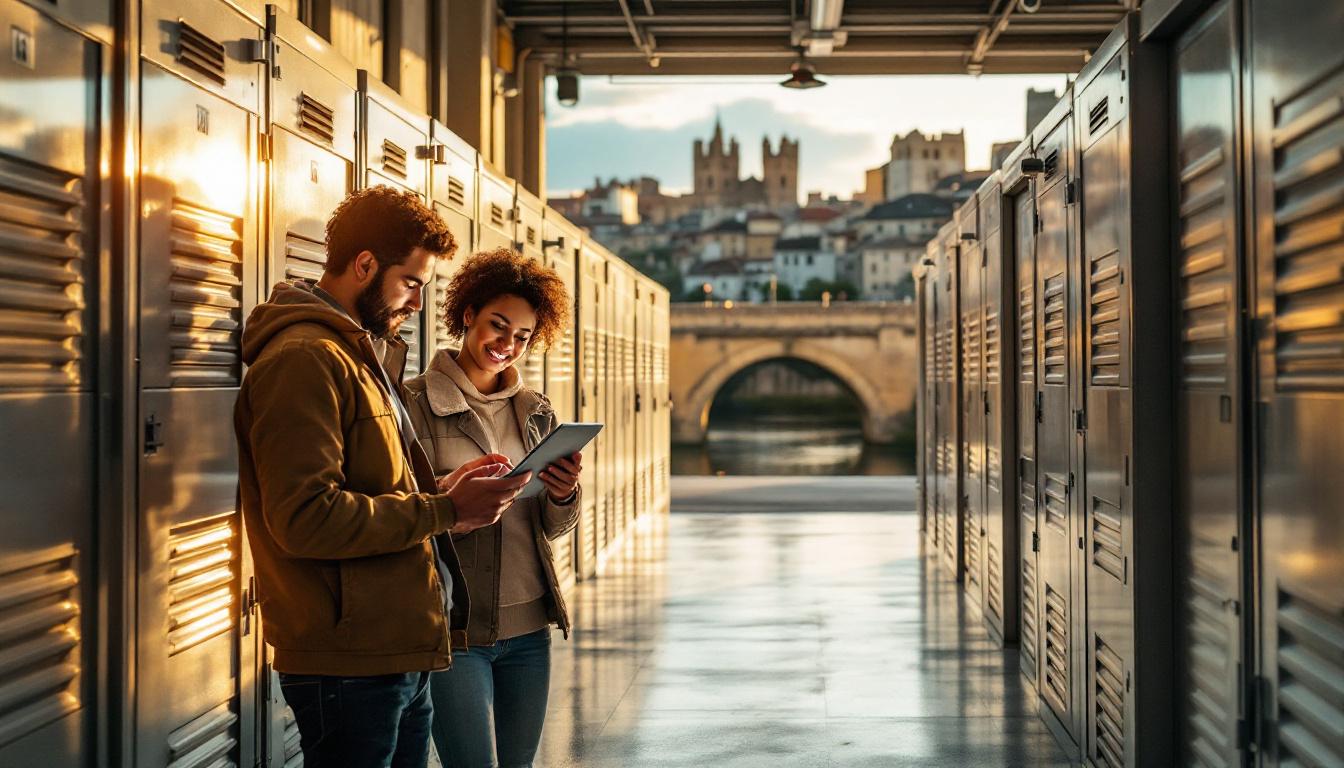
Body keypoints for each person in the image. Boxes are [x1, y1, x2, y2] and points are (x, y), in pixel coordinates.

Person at [234, 187, 532, 768]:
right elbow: (305, 518)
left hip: (395, 647)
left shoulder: (357, 356)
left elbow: (367, 492)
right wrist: (445, 512)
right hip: (350, 662)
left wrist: (443, 491)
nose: (419, 304)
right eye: (412, 282)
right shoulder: (304, 359)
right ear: (365, 264)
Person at [404, 247, 583, 768]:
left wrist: (563, 492)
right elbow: (401, 507)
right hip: (455, 625)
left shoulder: (536, 411)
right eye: (497, 327)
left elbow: (553, 528)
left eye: (522, 337)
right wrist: (454, 496)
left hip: (530, 627)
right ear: (467, 316)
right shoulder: (414, 401)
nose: (506, 346)